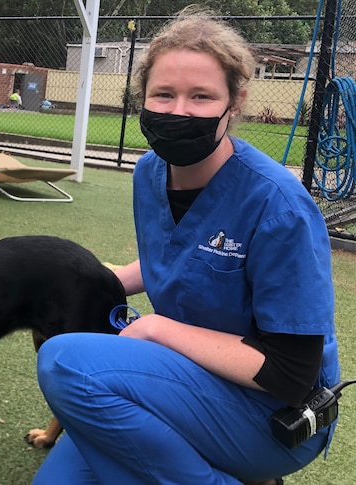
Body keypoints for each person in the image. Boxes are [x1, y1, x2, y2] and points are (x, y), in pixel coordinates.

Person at [33, 7, 340, 485]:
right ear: (142, 98)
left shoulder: (279, 204)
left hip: (270, 411)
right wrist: (97, 280)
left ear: (233, 103)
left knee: (64, 361)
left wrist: (158, 329)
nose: (179, 111)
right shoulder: (148, 173)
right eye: (164, 94)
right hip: (181, 380)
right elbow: (184, 256)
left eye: (201, 96)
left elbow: (291, 373)